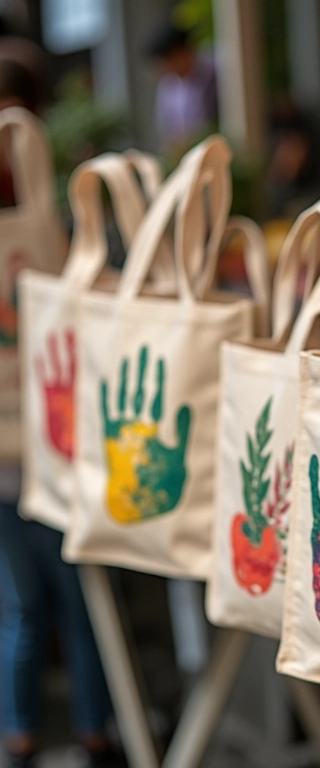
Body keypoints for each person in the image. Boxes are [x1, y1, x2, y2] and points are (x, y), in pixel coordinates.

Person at [0, 42, 119, 768]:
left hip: (18, 447)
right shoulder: (50, 212)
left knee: (26, 602)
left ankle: (21, 735)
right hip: (56, 434)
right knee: (77, 600)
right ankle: (90, 732)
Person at [146, 21, 218, 157]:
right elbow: (169, 132)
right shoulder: (168, 87)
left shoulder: (217, 70)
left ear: (183, 52)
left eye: (168, 61)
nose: (165, 69)